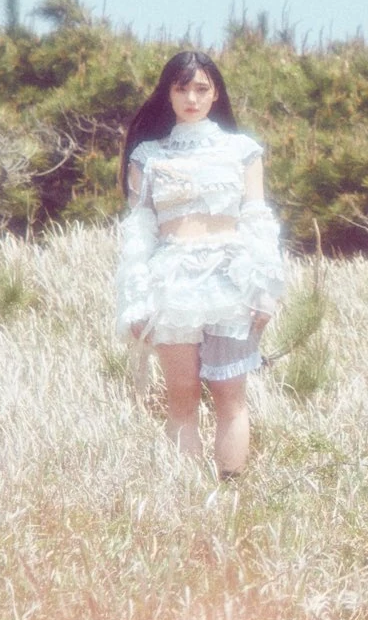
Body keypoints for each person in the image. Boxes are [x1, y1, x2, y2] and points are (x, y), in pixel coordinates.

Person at [115, 52, 285, 479]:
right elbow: (140, 231)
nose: (191, 98)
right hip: (171, 282)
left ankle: (231, 491)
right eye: (182, 89)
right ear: (168, 93)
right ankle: (187, 498)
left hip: (231, 279)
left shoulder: (242, 151)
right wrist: (135, 300)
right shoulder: (148, 156)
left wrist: (265, 288)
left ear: (216, 94)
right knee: (182, 397)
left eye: (201, 88)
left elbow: (257, 219)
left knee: (230, 397)